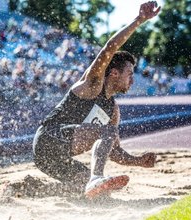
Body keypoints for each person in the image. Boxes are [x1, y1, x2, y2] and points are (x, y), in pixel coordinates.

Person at [33, 1, 161, 199]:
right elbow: (109, 48)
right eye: (129, 73)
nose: (133, 79)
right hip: (47, 140)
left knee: (88, 192)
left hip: (56, 158)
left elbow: (114, 151)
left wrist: (139, 161)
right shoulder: (92, 84)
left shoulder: (113, 111)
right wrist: (139, 20)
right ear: (115, 74)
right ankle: (96, 177)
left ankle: (29, 191)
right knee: (108, 132)